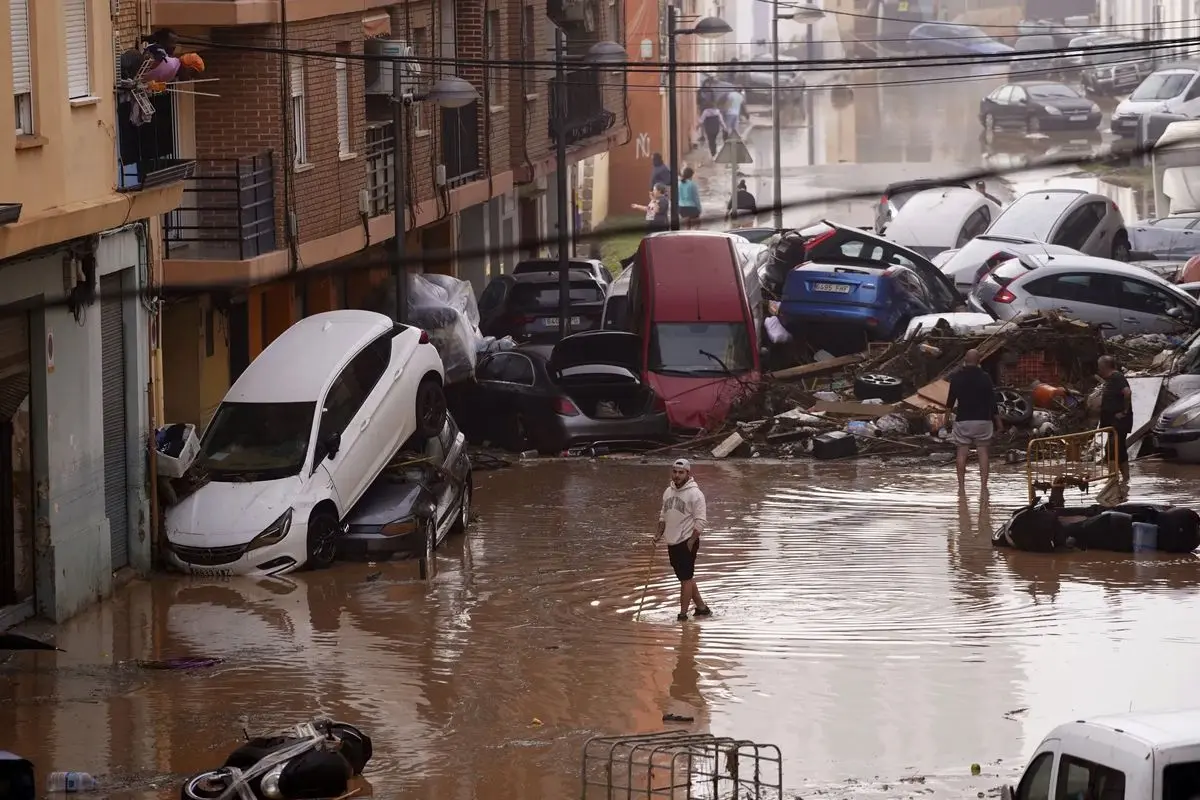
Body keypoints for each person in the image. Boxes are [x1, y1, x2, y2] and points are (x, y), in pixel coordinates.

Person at [656, 458, 711, 621]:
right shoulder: (668, 492)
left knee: (685, 579)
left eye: (681, 472)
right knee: (684, 577)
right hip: (671, 541)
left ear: (688, 473)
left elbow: (701, 521)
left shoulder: (695, 494)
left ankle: (683, 615)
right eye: (674, 472)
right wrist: (658, 534)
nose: (677, 475)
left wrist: (691, 541)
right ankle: (702, 608)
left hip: (687, 541)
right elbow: (662, 515)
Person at [945, 349, 1004, 493]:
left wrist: (946, 420)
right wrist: (998, 422)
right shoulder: (985, 377)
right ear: (979, 361)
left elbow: (950, 401)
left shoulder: (956, 378)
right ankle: (983, 487)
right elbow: (992, 402)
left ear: (965, 359)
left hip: (963, 420)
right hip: (983, 421)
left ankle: (961, 487)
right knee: (983, 452)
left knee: (961, 453)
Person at [1098, 355, 1133, 483]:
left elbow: (1127, 392)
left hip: (1119, 422)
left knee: (1111, 449)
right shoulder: (1111, 379)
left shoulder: (1117, 377)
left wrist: (1124, 411)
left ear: (1104, 366)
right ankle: (1125, 479)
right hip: (1114, 423)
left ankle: (1112, 478)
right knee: (1120, 450)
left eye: (1099, 367)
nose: (1098, 370)